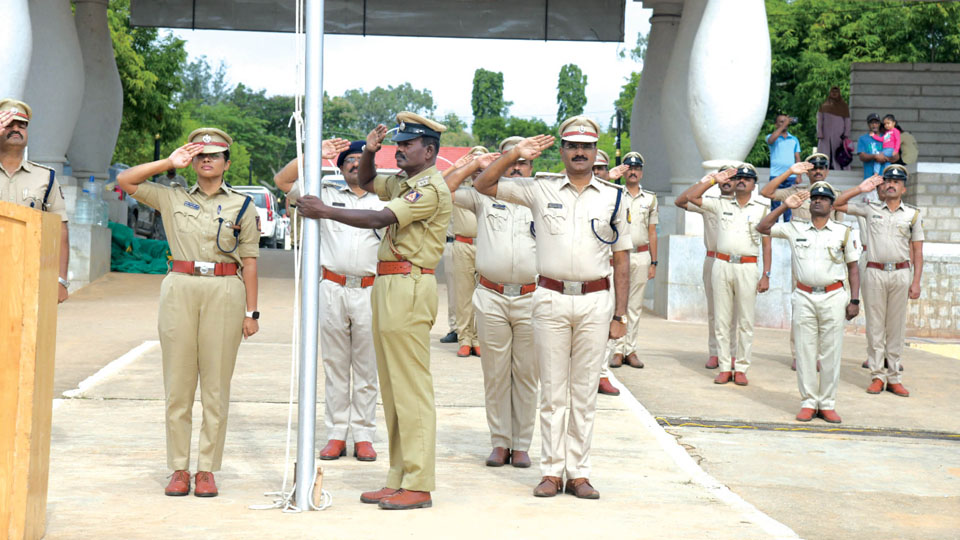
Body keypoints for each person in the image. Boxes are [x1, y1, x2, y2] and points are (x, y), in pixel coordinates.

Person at [296, 112, 450, 510]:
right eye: (397, 144)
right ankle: (400, 477)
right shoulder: (403, 181)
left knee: (411, 389)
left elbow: (380, 217)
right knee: (394, 388)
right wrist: (368, 150)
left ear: (429, 150)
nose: (399, 150)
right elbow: (365, 182)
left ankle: (418, 482)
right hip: (388, 283)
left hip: (410, 284)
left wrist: (324, 211)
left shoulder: (430, 186)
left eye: (407, 145)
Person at [474, 116, 631, 500]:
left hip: (595, 300)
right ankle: (550, 471)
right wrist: (515, 153)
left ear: (595, 153)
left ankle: (578, 472)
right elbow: (484, 184)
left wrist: (620, 315)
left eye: (586, 147)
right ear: (561, 151)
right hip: (549, 298)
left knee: (583, 392)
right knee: (552, 391)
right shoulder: (538, 189)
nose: (580, 152)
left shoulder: (614, 196)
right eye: (572, 146)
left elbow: (622, 258)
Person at [117, 128, 260, 498]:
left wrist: (252, 311)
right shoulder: (171, 196)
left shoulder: (242, 205)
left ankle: (207, 469)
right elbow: (125, 180)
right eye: (200, 155)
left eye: (214, 155)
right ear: (192, 161)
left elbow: (250, 261)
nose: (207, 160)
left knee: (216, 387)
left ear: (227, 162)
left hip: (226, 290)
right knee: (178, 386)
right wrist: (169, 161)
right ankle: (179, 468)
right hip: (180, 286)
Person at [274, 138, 389, 463]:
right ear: (338, 167)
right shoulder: (325, 194)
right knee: (336, 366)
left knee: (367, 368)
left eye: (360, 159)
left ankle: (364, 435)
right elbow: (283, 182)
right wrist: (313, 156)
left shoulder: (383, 198)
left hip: (369, 289)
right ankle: (337, 434)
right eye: (348, 160)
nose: (355, 163)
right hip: (332, 288)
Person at [445, 136, 538, 469]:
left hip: (531, 296)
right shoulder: (482, 197)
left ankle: (522, 443)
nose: (515, 168)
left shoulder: (540, 197)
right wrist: (474, 164)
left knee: (526, 375)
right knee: (496, 374)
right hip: (491, 295)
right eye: (509, 161)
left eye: (522, 162)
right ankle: (500, 441)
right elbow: (442, 191)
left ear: (532, 166)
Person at [756, 183, 860, 424]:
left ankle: (827, 403)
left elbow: (853, 268)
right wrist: (784, 205)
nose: (818, 201)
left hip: (834, 295)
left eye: (824, 198)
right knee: (805, 350)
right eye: (814, 197)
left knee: (831, 351)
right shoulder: (795, 228)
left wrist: (854, 300)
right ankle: (808, 402)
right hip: (803, 295)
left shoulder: (843, 232)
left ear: (832, 205)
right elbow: (762, 227)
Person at [678, 163, 772, 386]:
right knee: (721, 319)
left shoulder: (760, 209)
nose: (741, 181)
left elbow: (767, 245)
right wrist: (712, 180)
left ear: (753, 185)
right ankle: (724, 367)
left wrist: (766, 274)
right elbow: (690, 197)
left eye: (746, 179)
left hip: (748, 266)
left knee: (745, 320)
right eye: (738, 177)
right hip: (721, 263)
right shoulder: (720, 204)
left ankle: (741, 367)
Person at [834, 165, 922, 398]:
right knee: (874, 326)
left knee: (895, 327)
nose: (891, 185)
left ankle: (894, 377)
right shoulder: (870, 209)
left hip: (901, 273)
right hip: (874, 271)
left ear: (903, 188)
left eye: (896, 182)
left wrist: (916, 282)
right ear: (881, 186)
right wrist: (860, 188)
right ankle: (876, 375)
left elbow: (918, 251)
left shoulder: (912, 214)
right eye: (887, 181)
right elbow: (838, 204)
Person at [760, 153, 849, 370]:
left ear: (827, 170)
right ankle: (799, 353)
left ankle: (819, 355)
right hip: (802, 255)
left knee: (826, 310)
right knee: (800, 307)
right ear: (807, 171)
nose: (818, 171)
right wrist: (791, 172)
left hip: (828, 257)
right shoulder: (796, 192)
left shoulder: (833, 195)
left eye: (822, 167)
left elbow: (839, 229)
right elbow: (766, 192)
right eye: (813, 168)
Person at [0, 98, 70, 303]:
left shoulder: (45, 177)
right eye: (8, 125)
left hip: (29, 274)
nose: (16, 129)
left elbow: (61, 230)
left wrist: (61, 281)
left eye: (22, 125)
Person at [675, 165, 740, 369]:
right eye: (724, 177)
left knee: (735, 313)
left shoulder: (744, 206)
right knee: (715, 311)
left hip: (737, 261)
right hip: (713, 259)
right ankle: (715, 352)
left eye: (732, 177)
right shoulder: (709, 203)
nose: (727, 181)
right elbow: (680, 201)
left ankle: (732, 354)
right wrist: (707, 181)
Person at [605, 152, 657, 370]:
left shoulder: (650, 199)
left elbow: (652, 231)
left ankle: (630, 350)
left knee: (635, 306)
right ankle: (617, 350)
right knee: (617, 304)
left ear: (642, 172)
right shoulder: (614, 194)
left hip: (641, 254)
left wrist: (654, 262)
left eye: (637, 168)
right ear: (624, 171)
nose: (633, 172)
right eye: (629, 168)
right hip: (618, 256)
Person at [590, 151, 627, 396]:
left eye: (601, 169)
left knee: (607, 326)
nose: (596, 173)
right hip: (579, 273)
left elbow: (623, 246)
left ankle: (601, 374)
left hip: (608, 269)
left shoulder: (616, 199)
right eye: (592, 169)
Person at [450, 145, 488, 357]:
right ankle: (465, 338)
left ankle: (479, 338)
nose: (478, 166)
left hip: (486, 244)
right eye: (475, 161)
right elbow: (441, 185)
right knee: (463, 294)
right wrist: (462, 167)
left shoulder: (493, 187)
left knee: (484, 294)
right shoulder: (458, 187)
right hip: (463, 244)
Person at [766, 114, 801, 221]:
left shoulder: (794, 139)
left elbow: (797, 157)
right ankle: (773, 225)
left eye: (785, 121)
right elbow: (771, 140)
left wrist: (799, 175)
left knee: (789, 203)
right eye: (781, 122)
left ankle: (788, 225)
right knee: (775, 203)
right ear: (776, 124)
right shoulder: (771, 137)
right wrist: (782, 127)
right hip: (776, 175)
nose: (784, 123)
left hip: (790, 176)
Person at [816, 87, 851, 170]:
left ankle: (838, 168)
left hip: (839, 135)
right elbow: (820, 120)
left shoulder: (844, 106)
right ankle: (823, 167)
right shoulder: (824, 106)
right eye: (832, 92)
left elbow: (847, 121)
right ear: (830, 93)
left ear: (839, 93)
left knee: (839, 152)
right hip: (825, 134)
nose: (834, 94)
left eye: (836, 92)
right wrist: (820, 133)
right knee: (824, 151)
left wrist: (846, 134)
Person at [857, 113, 886, 178]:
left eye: (876, 123)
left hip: (885, 177)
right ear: (868, 124)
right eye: (871, 123)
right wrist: (875, 156)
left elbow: (896, 156)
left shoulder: (886, 138)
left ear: (879, 124)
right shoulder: (863, 138)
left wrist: (885, 157)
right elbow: (862, 156)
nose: (874, 125)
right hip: (869, 177)